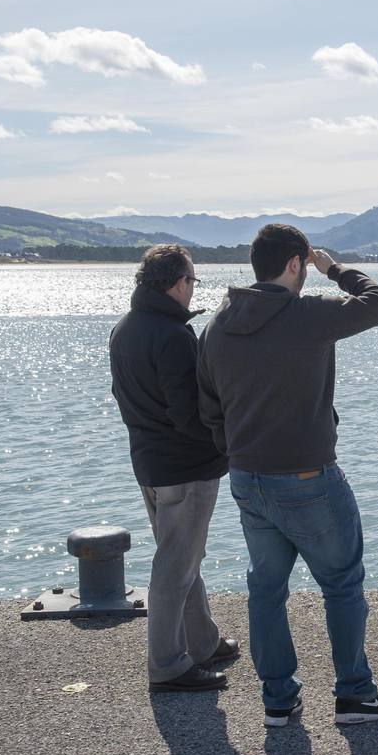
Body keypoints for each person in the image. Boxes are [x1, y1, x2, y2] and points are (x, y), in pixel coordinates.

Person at [196, 224, 378, 728]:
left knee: (266, 591)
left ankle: (278, 700)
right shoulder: (304, 314)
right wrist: (333, 269)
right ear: (295, 264)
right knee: (342, 584)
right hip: (308, 477)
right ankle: (354, 695)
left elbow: (208, 405)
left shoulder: (218, 325)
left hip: (248, 478)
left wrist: (239, 451)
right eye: (305, 264)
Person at [109, 244, 239, 693]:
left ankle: (201, 642)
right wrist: (225, 444)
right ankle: (167, 664)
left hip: (149, 462)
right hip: (185, 467)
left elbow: (123, 396)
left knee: (183, 557)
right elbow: (190, 413)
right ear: (178, 283)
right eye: (192, 281)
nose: (192, 290)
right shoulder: (172, 335)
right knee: (175, 567)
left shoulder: (125, 329)